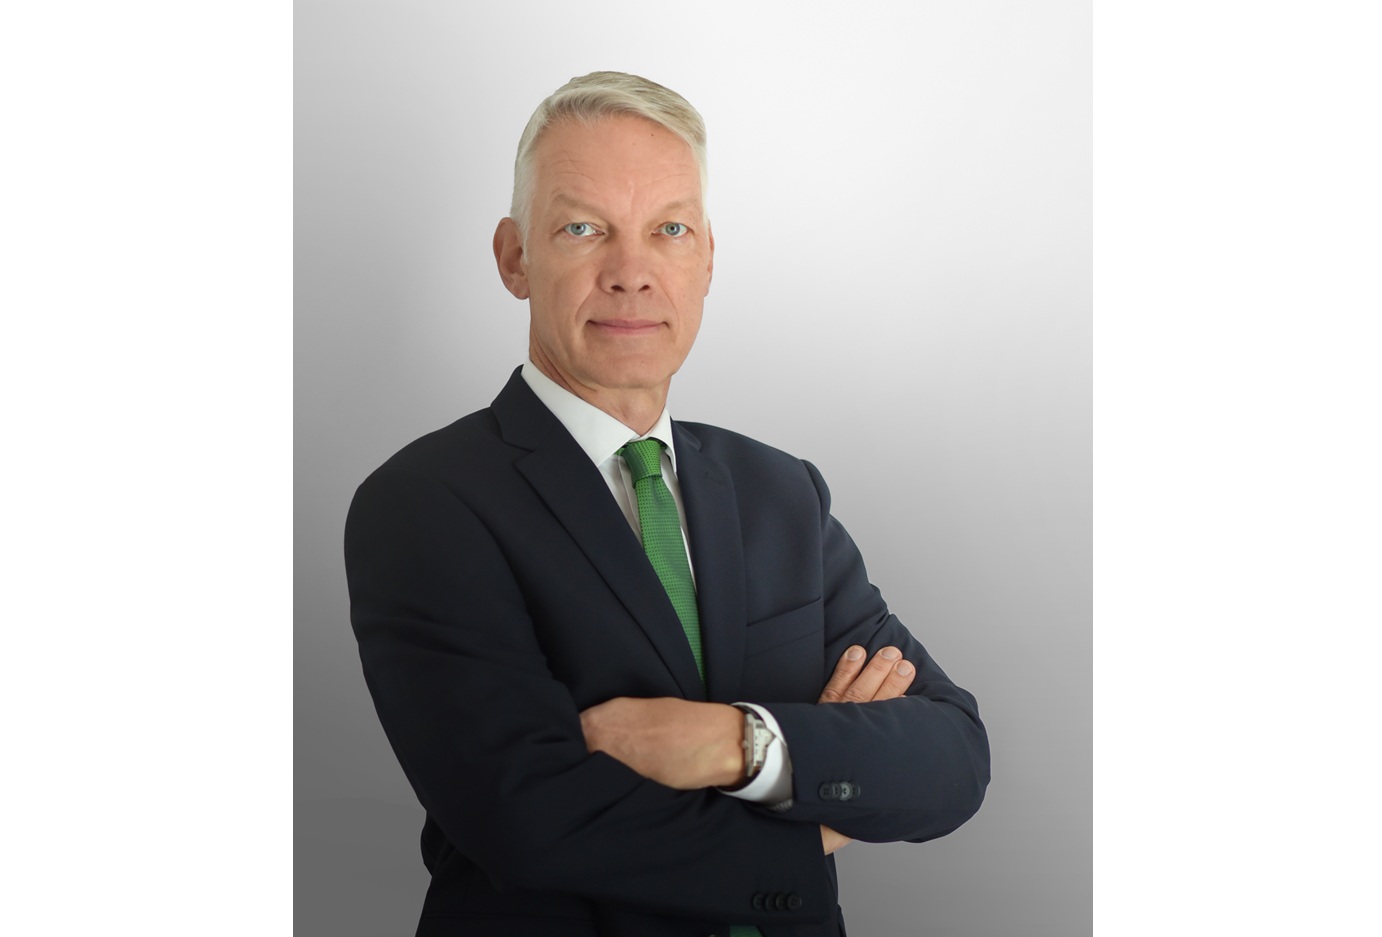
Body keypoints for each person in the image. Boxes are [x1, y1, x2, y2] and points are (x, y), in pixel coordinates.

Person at [344, 70, 989, 937]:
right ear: (514, 257)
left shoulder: (782, 493)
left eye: (669, 230)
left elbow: (953, 754)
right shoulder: (425, 504)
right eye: (583, 228)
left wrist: (739, 743)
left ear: (708, 258)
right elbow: (534, 823)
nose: (631, 274)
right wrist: (822, 818)